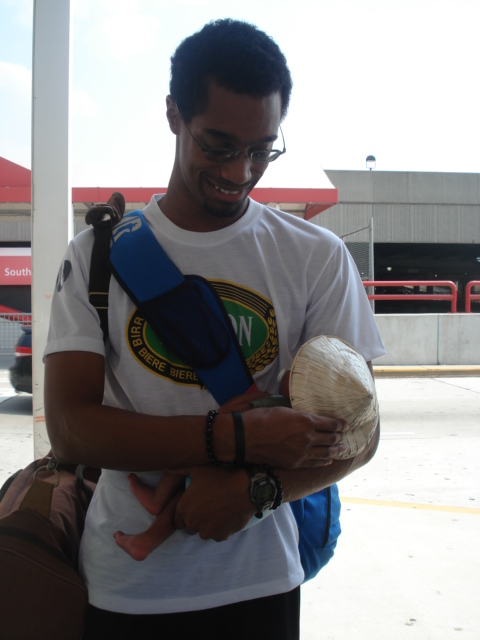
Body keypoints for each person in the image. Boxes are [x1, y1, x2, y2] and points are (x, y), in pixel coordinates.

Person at [44, 19, 385, 640]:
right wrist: (231, 439)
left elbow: (361, 434)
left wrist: (259, 492)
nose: (240, 171)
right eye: (218, 145)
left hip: (262, 586)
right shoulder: (96, 256)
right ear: (174, 115)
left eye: (262, 149)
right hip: (126, 594)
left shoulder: (316, 256)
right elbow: (69, 429)